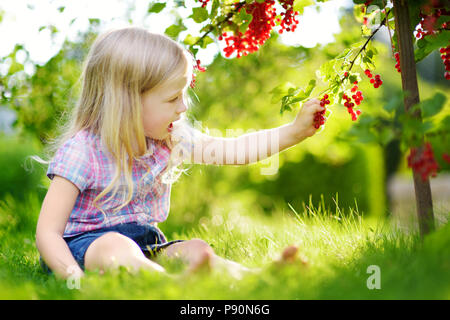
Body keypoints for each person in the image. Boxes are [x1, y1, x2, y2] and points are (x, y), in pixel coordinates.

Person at [35, 27, 325, 281]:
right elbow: (48, 233)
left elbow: (235, 149)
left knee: (196, 249)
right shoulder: (82, 151)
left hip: (147, 247)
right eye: (173, 97)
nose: (183, 107)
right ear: (128, 102)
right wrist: (73, 278)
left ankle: (256, 279)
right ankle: (170, 287)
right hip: (85, 250)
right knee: (115, 246)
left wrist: (293, 132)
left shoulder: (170, 139)